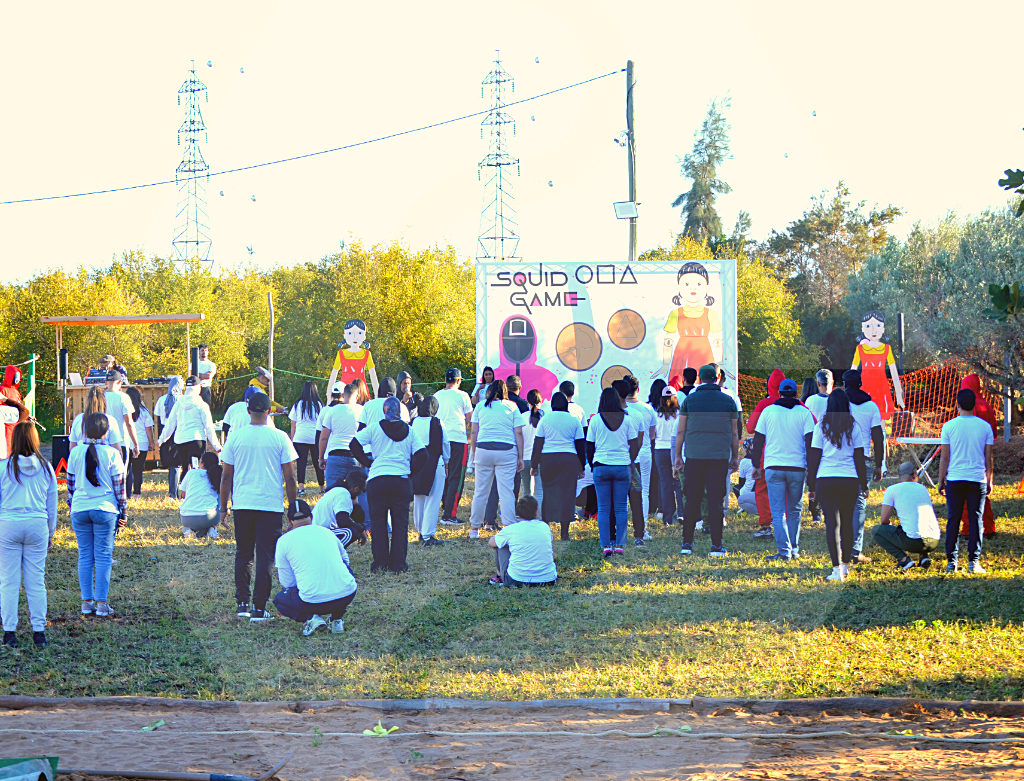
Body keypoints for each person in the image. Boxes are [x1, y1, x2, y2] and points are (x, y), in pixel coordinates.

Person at [219, 391, 299, 622]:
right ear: (269, 411)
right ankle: (259, 607)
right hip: (270, 505)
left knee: (244, 553)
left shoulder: (235, 437)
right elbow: (291, 478)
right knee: (266, 556)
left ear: (247, 411)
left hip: (243, 504)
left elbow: (226, 478)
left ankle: (242, 603)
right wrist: (293, 509)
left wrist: (224, 508)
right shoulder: (280, 437)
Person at [351, 397, 427, 573]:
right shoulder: (409, 430)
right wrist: (409, 471)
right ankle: (399, 564)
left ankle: (380, 564)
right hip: (400, 480)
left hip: (378, 480)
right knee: (400, 525)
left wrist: (367, 462)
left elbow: (354, 443)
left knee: (378, 524)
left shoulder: (375, 428)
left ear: (384, 410)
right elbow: (423, 455)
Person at [0, 421, 58, 648]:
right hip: (37, 524)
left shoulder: (4, 467)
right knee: (36, 580)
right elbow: (51, 504)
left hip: (8, 524)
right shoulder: (46, 468)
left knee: (8, 581)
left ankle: (9, 632)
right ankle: (38, 631)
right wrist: (50, 533)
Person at [674, 364, 739, 558]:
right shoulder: (729, 401)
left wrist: (678, 456)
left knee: (692, 499)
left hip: (694, 456)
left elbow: (681, 431)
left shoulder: (689, 400)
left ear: (700, 379)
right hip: (718, 457)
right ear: (718, 377)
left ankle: (686, 544)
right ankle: (716, 546)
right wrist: (735, 457)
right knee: (715, 500)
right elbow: (734, 433)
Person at [66, 413, 126, 618]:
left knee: (84, 556)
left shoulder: (75, 453)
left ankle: (86, 602)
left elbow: (71, 485)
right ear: (106, 432)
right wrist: (124, 510)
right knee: (103, 557)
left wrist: (72, 503)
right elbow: (120, 487)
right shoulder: (112, 454)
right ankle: (102, 604)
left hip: (80, 508)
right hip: (106, 509)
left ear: (84, 430)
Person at [806, 389, 869, 582]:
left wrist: (811, 486)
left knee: (832, 524)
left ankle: (835, 571)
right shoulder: (854, 427)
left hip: (826, 479)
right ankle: (846, 566)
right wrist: (864, 484)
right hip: (849, 480)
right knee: (848, 524)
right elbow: (859, 458)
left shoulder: (821, 426)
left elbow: (814, 457)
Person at [752, 378, 816, 561]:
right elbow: (810, 445)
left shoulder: (768, 411)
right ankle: (794, 549)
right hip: (797, 467)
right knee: (795, 510)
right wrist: (811, 471)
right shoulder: (804, 413)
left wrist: (756, 465)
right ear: (797, 394)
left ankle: (783, 551)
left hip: (773, 466)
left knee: (778, 511)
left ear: (779, 393)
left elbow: (757, 442)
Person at [273, 499, 357, 636]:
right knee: (345, 571)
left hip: (311, 601)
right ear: (311, 517)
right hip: (347, 593)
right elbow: (345, 561)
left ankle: (311, 619)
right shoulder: (327, 532)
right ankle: (337, 619)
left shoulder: (283, 541)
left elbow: (287, 582)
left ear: (289, 521)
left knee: (279, 600)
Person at [938, 387, 994, 575]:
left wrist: (940, 480)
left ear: (957, 404)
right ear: (975, 405)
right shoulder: (984, 426)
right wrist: (989, 479)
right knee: (975, 519)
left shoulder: (949, 426)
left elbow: (944, 457)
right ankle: (974, 562)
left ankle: (951, 562)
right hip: (977, 479)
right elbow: (989, 457)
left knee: (953, 519)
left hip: (954, 478)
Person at [468, 380, 525, 538]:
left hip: (483, 450)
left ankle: (474, 529)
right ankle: (509, 528)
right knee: (506, 491)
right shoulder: (512, 406)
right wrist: (520, 456)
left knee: (480, 491)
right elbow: (518, 433)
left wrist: (474, 452)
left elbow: (474, 432)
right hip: (507, 451)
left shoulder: (480, 406)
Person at [588, 388, 640, 556]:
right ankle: (619, 545)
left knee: (603, 508)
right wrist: (629, 461)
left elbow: (589, 446)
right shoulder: (626, 419)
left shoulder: (595, 420)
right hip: (622, 467)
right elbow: (634, 443)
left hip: (601, 466)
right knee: (621, 508)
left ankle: (605, 545)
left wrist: (592, 464)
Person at [653, 262, 723, 378]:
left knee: (703, 380)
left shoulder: (711, 313)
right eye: (686, 284)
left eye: (699, 284)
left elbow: (717, 341)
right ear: (678, 288)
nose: (693, 287)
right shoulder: (675, 313)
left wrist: (720, 364)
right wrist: (666, 364)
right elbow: (668, 340)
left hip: (704, 352)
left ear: (707, 288)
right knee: (679, 382)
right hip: (681, 353)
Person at [843, 370, 885, 565]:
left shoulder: (838, 404)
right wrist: (879, 464)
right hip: (865, 458)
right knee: (859, 504)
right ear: (860, 384)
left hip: (841, 458)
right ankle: (855, 551)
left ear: (844, 384)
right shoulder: (871, 406)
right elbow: (878, 437)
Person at [532, 391, 585, 541]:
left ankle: (546, 529)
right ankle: (564, 533)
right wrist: (580, 467)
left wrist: (534, 465)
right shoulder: (574, 420)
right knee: (567, 495)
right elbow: (580, 446)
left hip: (548, 459)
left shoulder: (545, 419)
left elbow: (538, 444)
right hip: (568, 459)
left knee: (548, 493)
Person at [874, 461, 941, 571]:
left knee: (876, 530)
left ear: (899, 477)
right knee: (918, 523)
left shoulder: (892, 490)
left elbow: (884, 520)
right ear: (915, 474)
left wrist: (889, 526)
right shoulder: (923, 488)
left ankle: (904, 560)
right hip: (935, 540)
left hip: (914, 542)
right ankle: (924, 556)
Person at [157, 376, 220, 480]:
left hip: (181, 440)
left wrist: (162, 439)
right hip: (196, 439)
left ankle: (184, 493)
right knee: (196, 468)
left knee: (185, 468)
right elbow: (208, 426)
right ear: (198, 387)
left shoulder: (178, 403)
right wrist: (217, 446)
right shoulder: (201, 405)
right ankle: (195, 491)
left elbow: (171, 423)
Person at [746, 369, 784, 540]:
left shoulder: (764, 404)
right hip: (790, 453)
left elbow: (750, 428)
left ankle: (766, 526)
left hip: (766, 453)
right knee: (788, 490)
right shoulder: (797, 404)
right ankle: (787, 525)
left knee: (762, 490)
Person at [958, 374, 998, 538]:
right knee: (983, 494)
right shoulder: (987, 406)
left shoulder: (970, 407)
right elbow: (993, 434)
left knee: (966, 497)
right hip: (984, 454)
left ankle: (968, 530)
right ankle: (989, 528)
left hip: (967, 455)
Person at [487, 495, 557, 587]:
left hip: (517, 580)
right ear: (536, 512)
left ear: (518, 512)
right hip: (548, 579)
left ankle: (500, 576)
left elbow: (491, 543)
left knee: (500, 543)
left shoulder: (511, 529)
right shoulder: (545, 527)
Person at [434, 368, 473, 527]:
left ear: (445, 380)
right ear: (458, 381)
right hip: (457, 438)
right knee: (456, 477)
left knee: (443, 474)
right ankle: (450, 514)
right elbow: (470, 418)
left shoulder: (437, 395)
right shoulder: (463, 395)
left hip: (440, 438)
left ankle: (443, 506)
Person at [411, 395, 449, 546]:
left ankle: (420, 530)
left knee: (419, 497)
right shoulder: (437, 422)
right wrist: (447, 461)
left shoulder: (413, 422)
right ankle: (427, 534)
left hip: (417, 462)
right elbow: (445, 443)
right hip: (435, 462)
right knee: (433, 499)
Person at [623, 375, 656, 546]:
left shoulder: (620, 408)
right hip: (644, 454)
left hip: (625, 456)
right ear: (638, 389)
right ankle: (642, 530)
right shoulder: (647, 409)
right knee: (644, 491)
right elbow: (652, 434)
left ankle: (621, 530)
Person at [319, 384, 365, 500]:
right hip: (356, 457)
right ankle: (365, 518)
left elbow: (324, 437)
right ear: (357, 396)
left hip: (335, 455)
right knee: (361, 493)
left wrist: (320, 458)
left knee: (332, 495)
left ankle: (333, 517)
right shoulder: (363, 410)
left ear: (343, 395)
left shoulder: (332, 411)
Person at [653, 385, 684, 524]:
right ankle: (681, 514)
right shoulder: (679, 415)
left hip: (660, 450)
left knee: (665, 485)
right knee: (678, 483)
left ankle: (667, 518)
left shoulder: (656, 414)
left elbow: (652, 435)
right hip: (675, 451)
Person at [311, 472, 368, 546]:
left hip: (319, 530)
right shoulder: (343, 494)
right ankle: (333, 553)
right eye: (362, 490)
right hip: (319, 532)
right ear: (356, 488)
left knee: (354, 530)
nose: (361, 493)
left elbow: (360, 519)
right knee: (350, 533)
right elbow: (343, 522)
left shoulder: (340, 491)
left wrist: (356, 505)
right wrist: (360, 529)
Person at [289, 381, 325, 496]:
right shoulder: (319, 405)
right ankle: (321, 487)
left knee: (301, 463)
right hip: (315, 438)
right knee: (318, 462)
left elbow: (293, 424)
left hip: (300, 438)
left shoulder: (298, 404)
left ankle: (301, 489)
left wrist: (292, 439)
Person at [328, 318, 379, 398]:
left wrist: (377, 394)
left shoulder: (366, 354)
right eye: (350, 333)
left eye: (359, 333)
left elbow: (373, 375)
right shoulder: (341, 353)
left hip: (361, 388)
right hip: (344, 388)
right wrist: (329, 394)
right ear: (345, 335)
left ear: (364, 336)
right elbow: (333, 374)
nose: (355, 337)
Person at [178, 451, 222, 539]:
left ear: (201, 463)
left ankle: (189, 530)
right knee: (218, 495)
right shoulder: (218, 476)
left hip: (186, 517)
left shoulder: (192, 473)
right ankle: (211, 528)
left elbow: (183, 492)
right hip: (209, 517)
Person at [123, 386, 154, 501]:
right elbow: (149, 429)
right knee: (138, 469)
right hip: (142, 443)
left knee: (126, 469)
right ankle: (137, 493)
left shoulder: (126, 411)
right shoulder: (144, 411)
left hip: (128, 442)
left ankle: (126, 492)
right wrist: (151, 442)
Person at [69, 386, 123, 452]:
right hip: (104, 458)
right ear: (103, 401)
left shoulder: (78, 419)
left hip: (82, 457)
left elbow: (72, 447)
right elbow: (116, 448)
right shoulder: (110, 420)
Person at [154, 376, 183, 497]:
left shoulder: (161, 400)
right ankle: (176, 492)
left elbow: (156, 416)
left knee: (171, 463)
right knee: (177, 463)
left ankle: (173, 491)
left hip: (164, 431)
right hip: (178, 431)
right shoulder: (182, 400)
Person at [104, 369, 140, 465]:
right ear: (120, 382)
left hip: (103, 441)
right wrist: (135, 444)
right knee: (121, 475)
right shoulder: (123, 397)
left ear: (106, 382)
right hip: (121, 441)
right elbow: (129, 423)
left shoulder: (100, 397)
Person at [522, 389, 546, 508]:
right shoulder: (545, 417)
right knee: (539, 491)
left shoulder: (522, 417)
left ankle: (523, 515)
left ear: (527, 402)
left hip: (525, 458)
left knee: (526, 490)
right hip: (541, 458)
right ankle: (540, 518)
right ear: (541, 401)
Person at [0, 365, 29, 454]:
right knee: (6, 449)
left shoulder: (16, 392)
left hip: (15, 425)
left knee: (14, 448)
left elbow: (20, 407)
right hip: (5, 425)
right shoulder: (2, 389)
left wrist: (27, 417)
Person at [735, 438, 758, 515]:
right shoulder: (762, 459)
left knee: (736, 488)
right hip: (760, 488)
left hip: (749, 490)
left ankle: (745, 507)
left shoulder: (744, 461)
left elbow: (741, 480)